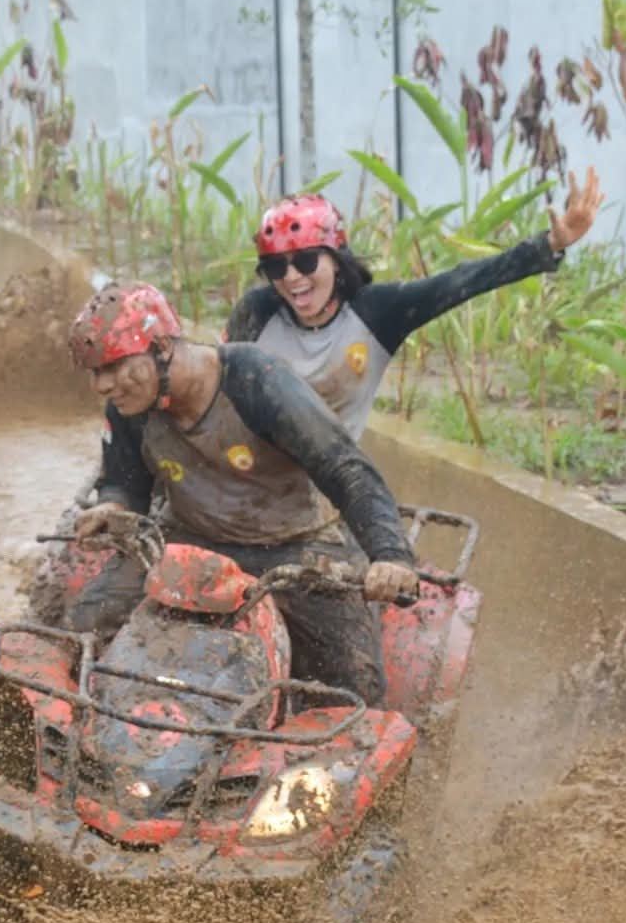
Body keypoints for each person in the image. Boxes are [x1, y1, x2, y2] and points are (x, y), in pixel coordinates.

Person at [65, 282, 419, 706]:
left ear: (161, 348)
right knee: (83, 626)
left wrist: (390, 555)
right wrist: (114, 505)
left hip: (295, 546)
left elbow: (345, 467)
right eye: (94, 372)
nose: (102, 385)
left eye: (113, 366)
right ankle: (95, 725)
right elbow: (126, 481)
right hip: (188, 537)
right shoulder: (130, 407)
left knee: (353, 686)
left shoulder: (256, 380)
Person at [225, 171, 602, 437]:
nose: (291, 278)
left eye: (306, 262)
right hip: (248, 474)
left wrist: (549, 244)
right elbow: (213, 387)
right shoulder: (256, 313)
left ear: (337, 260)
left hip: (327, 479)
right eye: (276, 267)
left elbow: (463, 281)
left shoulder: (377, 312)